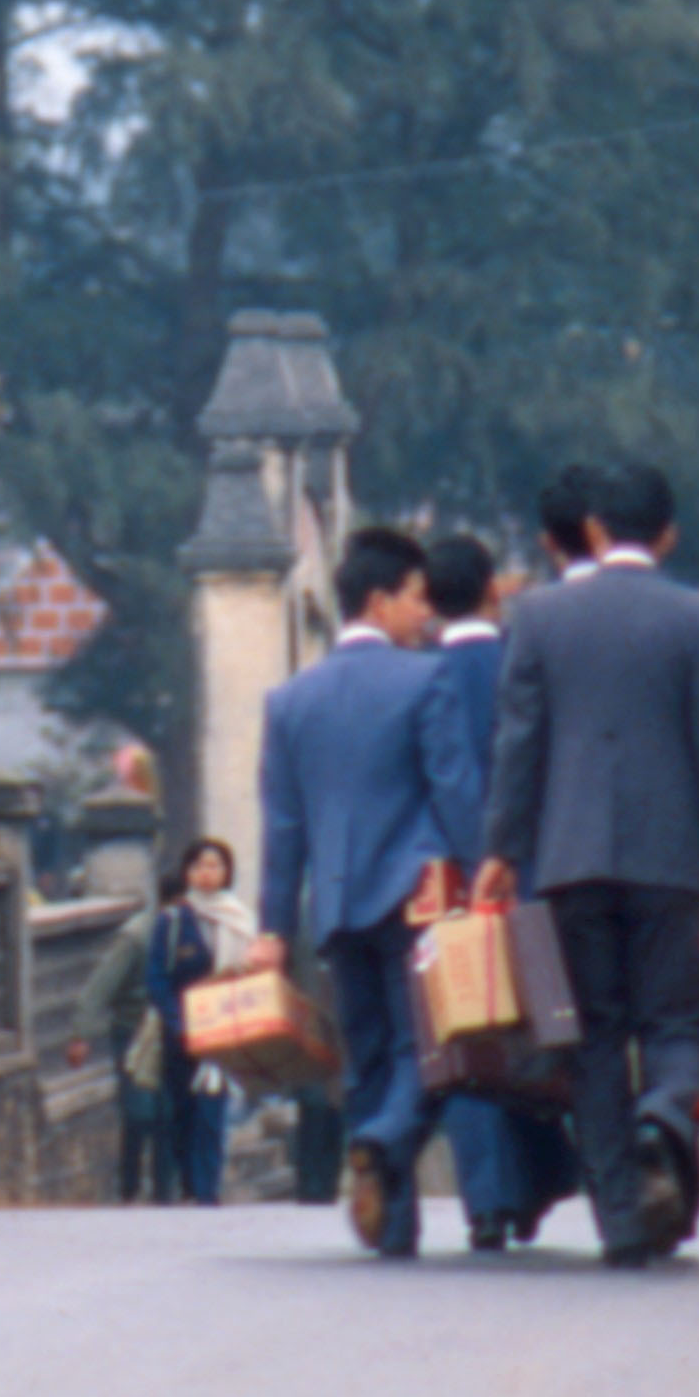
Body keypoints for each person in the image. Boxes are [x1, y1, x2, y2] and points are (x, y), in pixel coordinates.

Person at [474, 463, 699, 1269]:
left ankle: (621, 1217)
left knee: (591, 1040)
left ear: (592, 531)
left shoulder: (537, 616)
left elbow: (519, 744)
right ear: (669, 534)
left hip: (569, 861)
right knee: (676, 1023)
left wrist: (502, 851)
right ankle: (666, 1114)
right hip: (668, 860)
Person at [246, 523, 468, 1257]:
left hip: (336, 904)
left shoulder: (290, 701)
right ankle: (384, 1141)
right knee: (431, 1047)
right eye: (416, 599)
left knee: (369, 1057)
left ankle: (390, 1224)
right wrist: (487, 869)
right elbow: (454, 791)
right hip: (416, 894)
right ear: (378, 601)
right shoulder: (426, 679)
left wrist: (273, 930)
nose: (427, 615)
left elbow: (283, 828)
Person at [412, 530, 579, 1251]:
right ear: (492, 589)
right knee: (536, 1027)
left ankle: (487, 1198)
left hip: (449, 882)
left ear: (426, 600)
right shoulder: (531, 659)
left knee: (464, 1030)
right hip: (538, 873)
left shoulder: (419, 677)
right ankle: (543, 1170)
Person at [83, 837, 252, 1204]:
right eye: (199, 866)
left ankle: (206, 1191)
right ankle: (188, 1182)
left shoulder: (240, 921)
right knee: (181, 1111)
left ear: (227, 873)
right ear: (188, 873)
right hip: (181, 1034)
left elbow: (251, 974)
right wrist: (179, 1023)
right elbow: (157, 978)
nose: (207, 874)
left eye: (215, 866)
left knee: (212, 1109)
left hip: (224, 1031)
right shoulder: (172, 921)